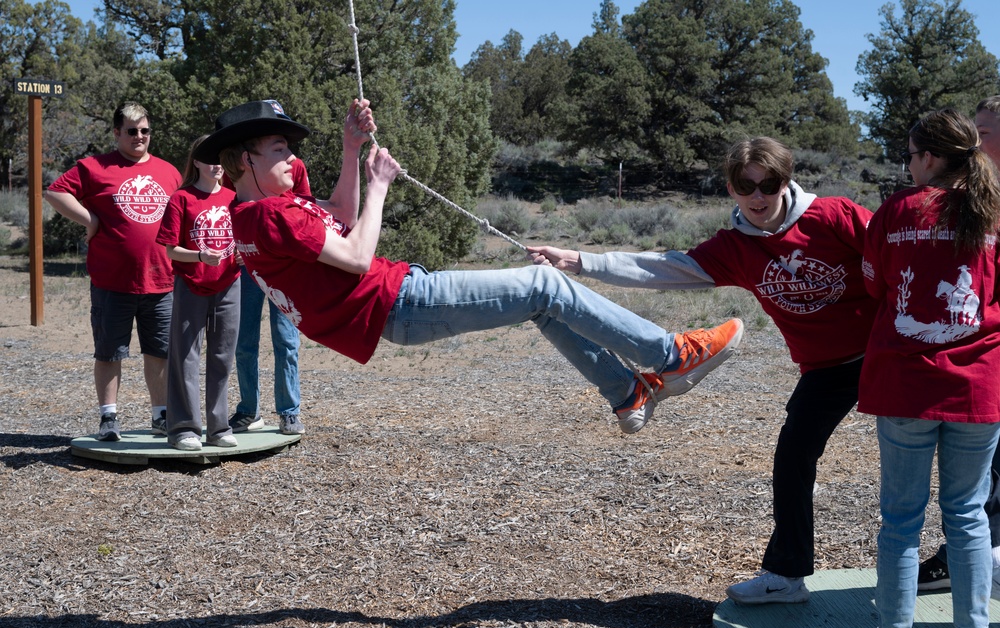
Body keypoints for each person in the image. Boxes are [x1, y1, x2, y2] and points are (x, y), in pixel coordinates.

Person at [192, 99, 745, 434]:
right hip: (397, 301)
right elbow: (357, 255)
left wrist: (351, 147)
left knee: (542, 305)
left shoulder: (261, 212)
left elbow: (336, 214)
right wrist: (380, 184)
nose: (293, 158)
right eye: (278, 149)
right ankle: (668, 356)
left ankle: (628, 395)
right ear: (246, 160)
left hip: (401, 296)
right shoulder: (268, 215)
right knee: (545, 284)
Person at [528, 136, 876, 604]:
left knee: (934, 451)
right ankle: (786, 576)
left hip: (886, 351)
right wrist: (576, 260)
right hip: (827, 370)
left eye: (769, 184)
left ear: (785, 182)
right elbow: (662, 269)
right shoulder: (734, 247)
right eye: (745, 185)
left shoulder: (832, 216)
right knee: (793, 458)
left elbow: (899, 256)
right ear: (730, 189)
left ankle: (977, 554)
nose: (758, 196)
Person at [862, 108, 1000, 628]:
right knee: (967, 511)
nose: (909, 164)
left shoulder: (897, 211)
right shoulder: (993, 210)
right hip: (979, 387)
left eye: (911, 154)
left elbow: (875, 284)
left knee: (901, 515)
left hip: (906, 385)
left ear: (929, 158)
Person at [45, 102, 181, 442]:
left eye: (145, 131)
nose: (140, 137)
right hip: (112, 281)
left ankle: (161, 416)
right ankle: (109, 419)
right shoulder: (95, 167)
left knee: (159, 352)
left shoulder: (169, 172)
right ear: (117, 133)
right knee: (109, 352)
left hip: (161, 280)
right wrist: (90, 219)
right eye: (132, 131)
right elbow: (55, 191)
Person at [916, 95, 1000, 595]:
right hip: (982, 361)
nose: (975, 141)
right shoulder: (969, 201)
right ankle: (967, 565)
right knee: (983, 474)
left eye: (984, 132)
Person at [155, 135, 241, 452]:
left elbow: (247, 241)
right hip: (191, 285)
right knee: (185, 357)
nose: (216, 164)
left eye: (221, 157)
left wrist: (245, 256)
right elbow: (170, 250)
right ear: (197, 163)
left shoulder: (235, 198)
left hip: (229, 285)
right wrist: (200, 256)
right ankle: (184, 428)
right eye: (209, 158)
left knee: (222, 356)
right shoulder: (181, 199)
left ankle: (219, 427)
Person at [227, 149, 309, 436]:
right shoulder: (239, 162)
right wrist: (236, 243)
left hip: (283, 265)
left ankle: (289, 412)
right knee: (244, 340)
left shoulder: (294, 166)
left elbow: (304, 207)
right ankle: (249, 410)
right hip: (248, 261)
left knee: (286, 339)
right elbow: (228, 204)